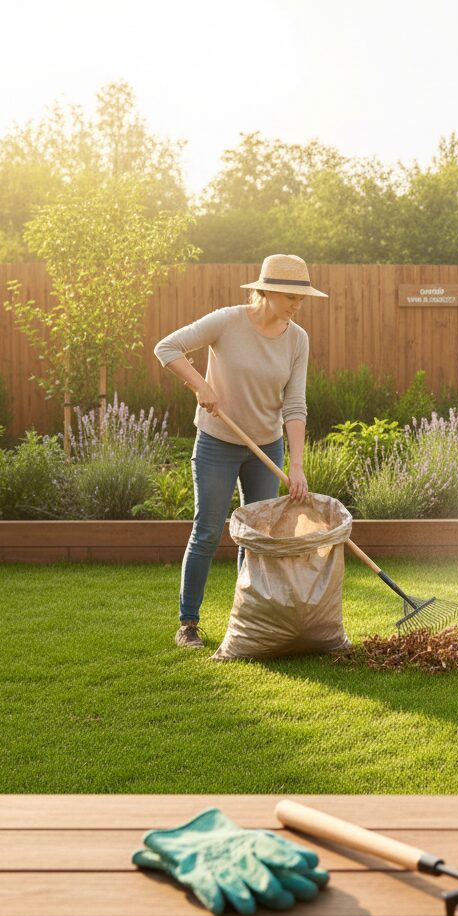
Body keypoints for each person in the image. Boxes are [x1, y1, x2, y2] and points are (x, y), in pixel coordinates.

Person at [154, 254, 327, 648]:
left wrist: (296, 465)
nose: (297, 305)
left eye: (302, 298)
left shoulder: (297, 339)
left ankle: (247, 618)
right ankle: (188, 623)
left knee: (255, 537)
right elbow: (167, 348)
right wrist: (201, 385)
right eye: (290, 296)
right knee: (209, 530)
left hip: (266, 446)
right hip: (217, 441)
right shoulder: (227, 321)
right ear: (266, 291)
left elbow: (295, 404)